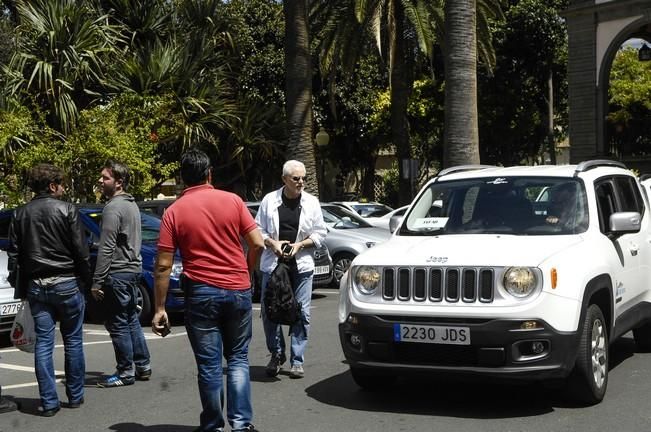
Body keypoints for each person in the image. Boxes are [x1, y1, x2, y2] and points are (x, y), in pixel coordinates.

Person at [152, 149, 264, 432]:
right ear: (209, 174)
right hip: (238, 288)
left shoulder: (174, 211)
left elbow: (164, 265)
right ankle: (241, 425)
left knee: (209, 364)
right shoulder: (233, 201)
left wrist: (160, 308)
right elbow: (258, 244)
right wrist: (247, 271)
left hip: (201, 292)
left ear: (182, 178)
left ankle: (213, 425)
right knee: (238, 358)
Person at [7, 163, 91, 416]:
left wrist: (19, 285)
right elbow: (81, 252)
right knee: (73, 340)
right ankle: (75, 396)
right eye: (61, 184)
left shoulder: (20, 214)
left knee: (44, 343)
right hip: (66, 282)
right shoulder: (67, 210)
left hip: (36, 285)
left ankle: (49, 402)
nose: (63, 189)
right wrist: (87, 282)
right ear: (52, 186)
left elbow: (14, 256)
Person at [256, 160, 327, 379]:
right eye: (296, 178)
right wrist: (273, 244)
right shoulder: (270, 200)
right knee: (270, 312)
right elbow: (257, 229)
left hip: (302, 266)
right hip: (274, 265)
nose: (301, 182)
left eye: (303, 178)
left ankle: (297, 360)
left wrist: (299, 245)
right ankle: (276, 354)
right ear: (284, 179)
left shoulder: (312, 202)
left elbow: (320, 233)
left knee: (302, 312)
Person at [92, 160, 151, 388]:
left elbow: (106, 247)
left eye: (105, 178)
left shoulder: (113, 208)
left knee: (118, 323)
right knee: (130, 320)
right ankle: (142, 365)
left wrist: (97, 281)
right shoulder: (131, 205)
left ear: (119, 182)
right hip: (132, 270)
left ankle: (125, 371)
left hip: (118, 272)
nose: (100, 181)